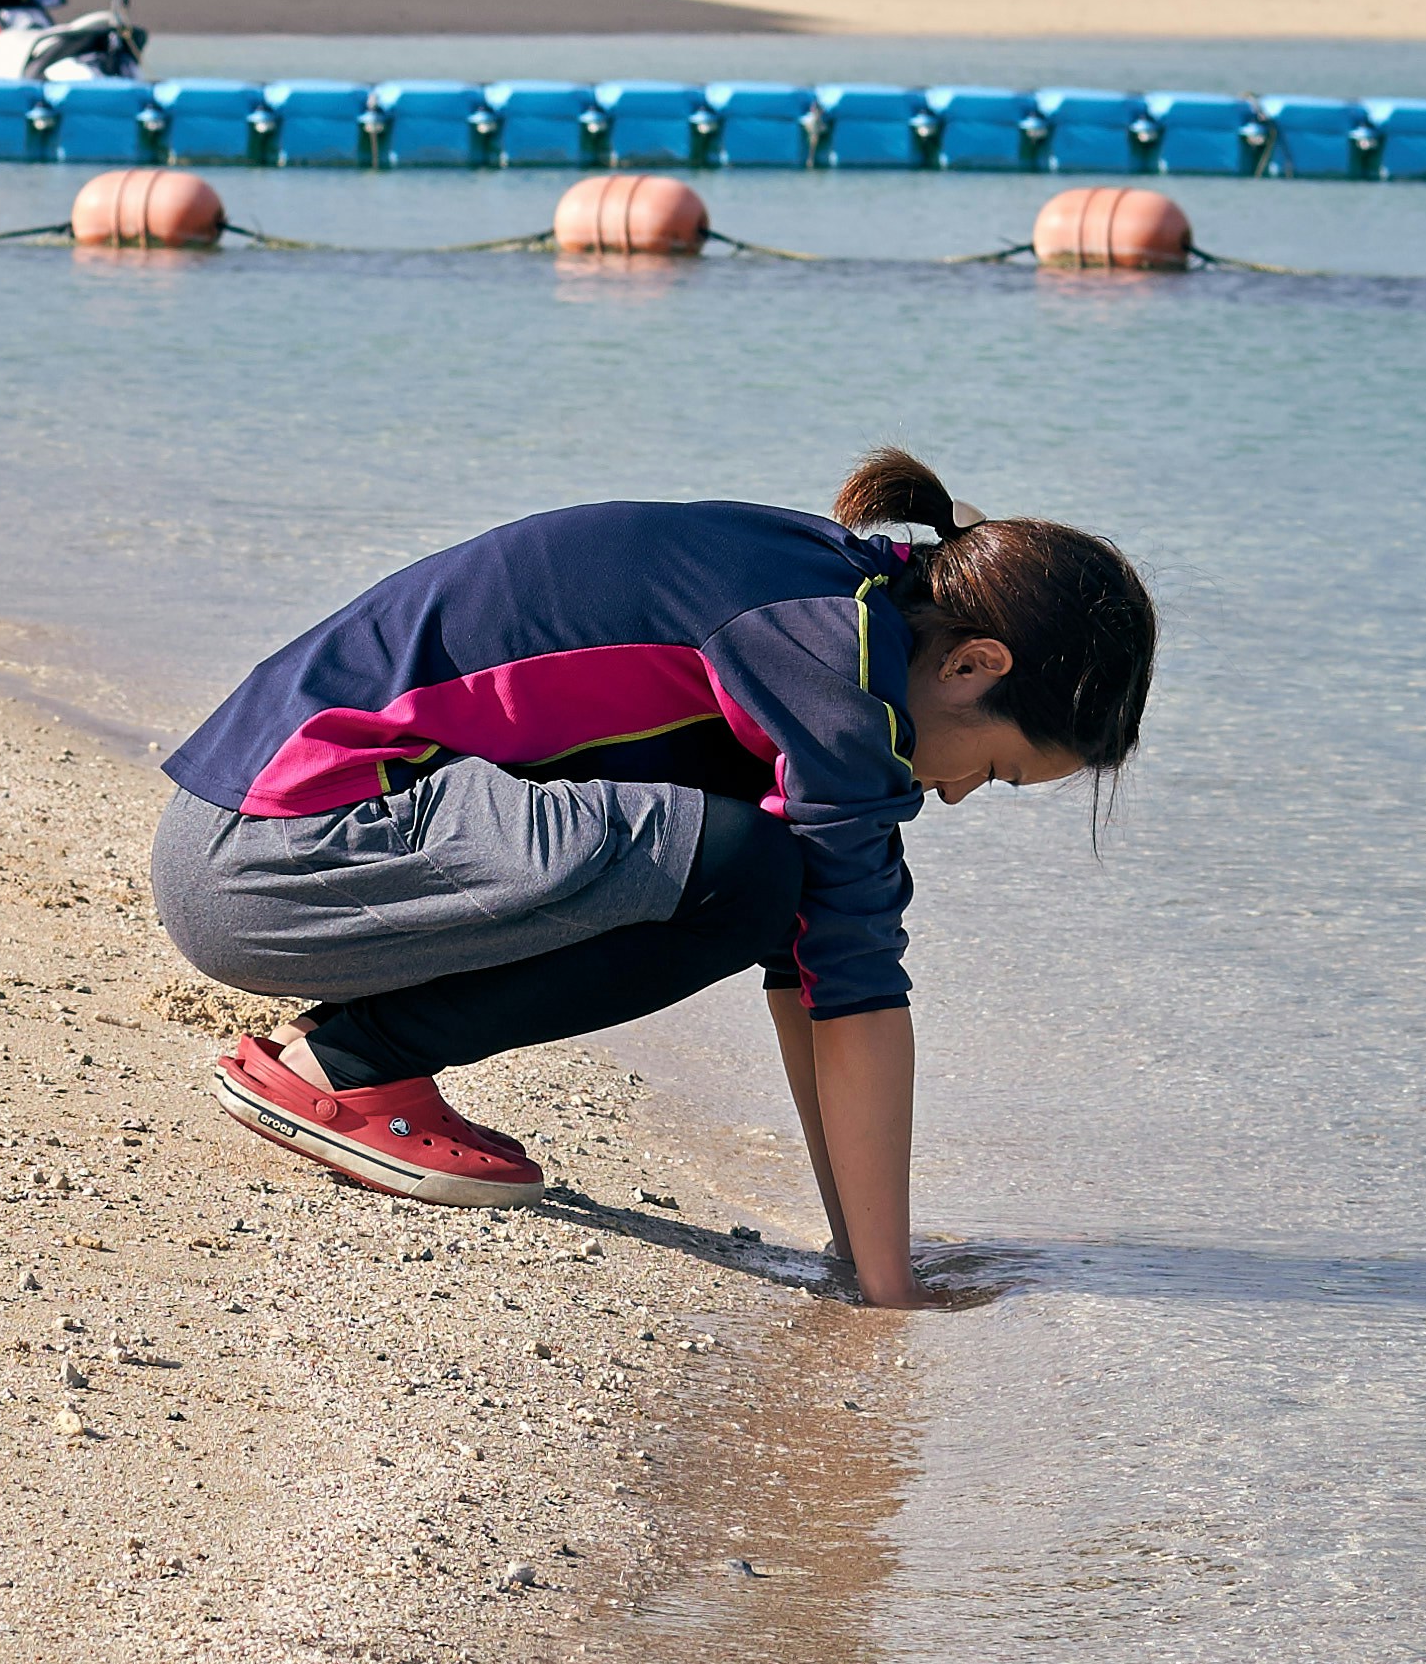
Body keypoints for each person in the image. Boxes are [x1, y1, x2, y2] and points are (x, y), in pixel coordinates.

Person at [150, 451, 1155, 1305]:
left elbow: (818, 962)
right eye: (994, 767)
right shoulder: (827, 664)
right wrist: (892, 1298)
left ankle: (344, 1053)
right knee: (755, 869)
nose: (960, 794)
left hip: (273, 840)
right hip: (274, 853)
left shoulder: (846, 608)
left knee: (774, 873)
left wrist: (862, 1260)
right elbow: (853, 976)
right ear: (974, 664)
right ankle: (348, 1067)